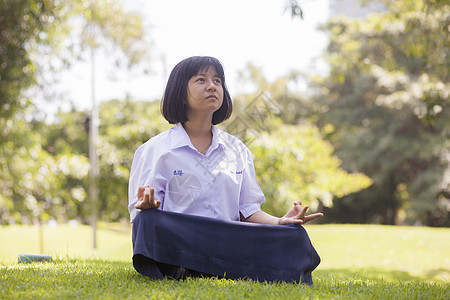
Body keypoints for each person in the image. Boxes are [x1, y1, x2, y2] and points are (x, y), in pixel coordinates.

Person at [128, 56, 323, 283]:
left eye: (217, 81)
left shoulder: (237, 150)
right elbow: (139, 217)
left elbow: (247, 210)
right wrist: (148, 209)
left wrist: (280, 222)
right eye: (201, 80)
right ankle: (186, 265)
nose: (212, 86)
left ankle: (199, 268)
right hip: (181, 239)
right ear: (180, 93)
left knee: (293, 235)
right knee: (147, 223)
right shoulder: (155, 150)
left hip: (229, 239)